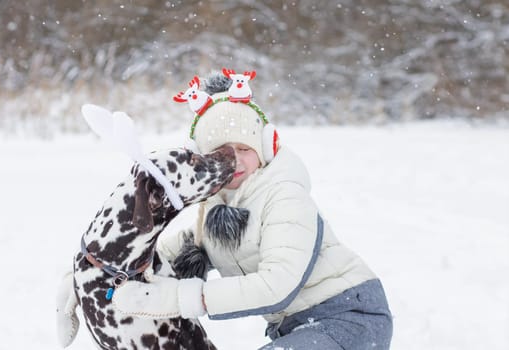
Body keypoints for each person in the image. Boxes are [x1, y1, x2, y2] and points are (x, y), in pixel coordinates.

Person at [112, 70, 393, 349]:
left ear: (265, 148)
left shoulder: (284, 195)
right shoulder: (215, 211)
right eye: (221, 152)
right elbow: (161, 254)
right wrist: (99, 269)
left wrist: (177, 298)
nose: (234, 160)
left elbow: (276, 284)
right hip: (299, 329)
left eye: (243, 148)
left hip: (350, 317)